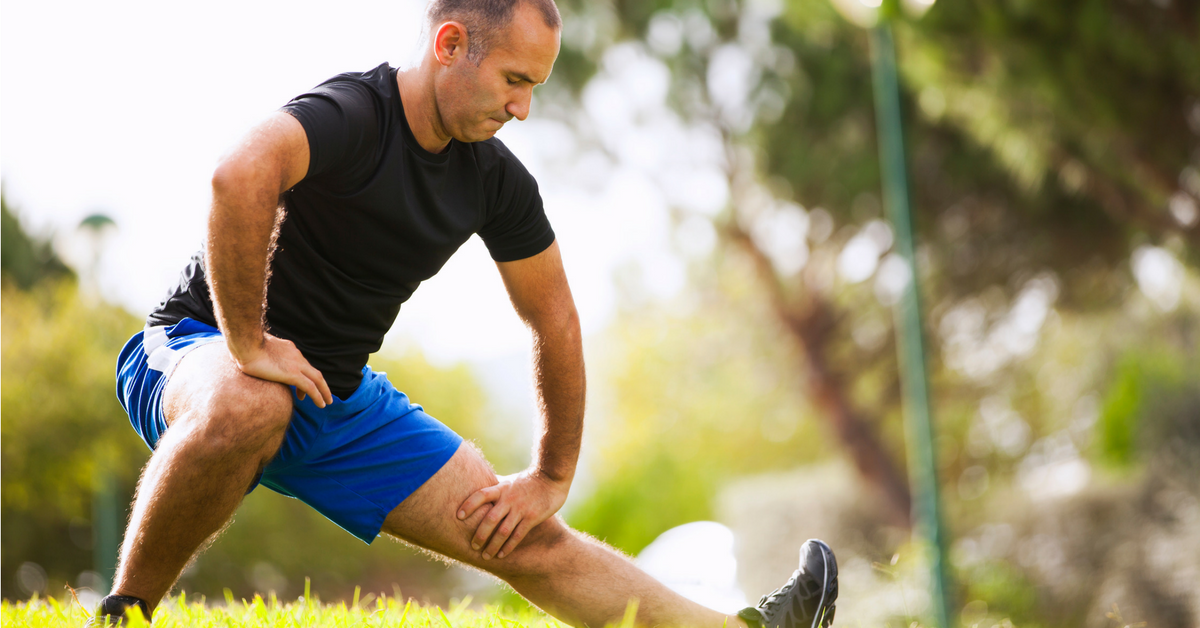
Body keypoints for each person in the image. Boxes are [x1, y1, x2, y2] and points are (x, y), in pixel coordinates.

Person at [92, 0, 838, 626]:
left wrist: (549, 475)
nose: (523, 107)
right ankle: (123, 613)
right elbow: (238, 174)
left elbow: (556, 322)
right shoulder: (354, 114)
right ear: (450, 44)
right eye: (515, 79)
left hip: (334, 397)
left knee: (523, 537)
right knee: (253, 404)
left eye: (535, 86)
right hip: (200, 352)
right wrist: (248, 341)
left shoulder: (495, 183)